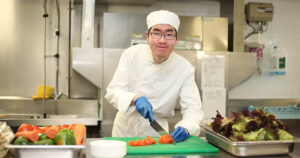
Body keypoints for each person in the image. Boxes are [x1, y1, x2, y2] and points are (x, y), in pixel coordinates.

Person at [105, 10, 204, 143]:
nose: (162, 40)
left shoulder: (184, 68)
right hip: (124, 131)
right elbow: (112, 91)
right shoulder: (131, 55)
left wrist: (186, 127)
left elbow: (193, 108)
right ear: (148, 36)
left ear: (176, 39)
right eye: (156, 33)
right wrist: (135, 98)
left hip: (156, 134)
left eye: (169, 34)